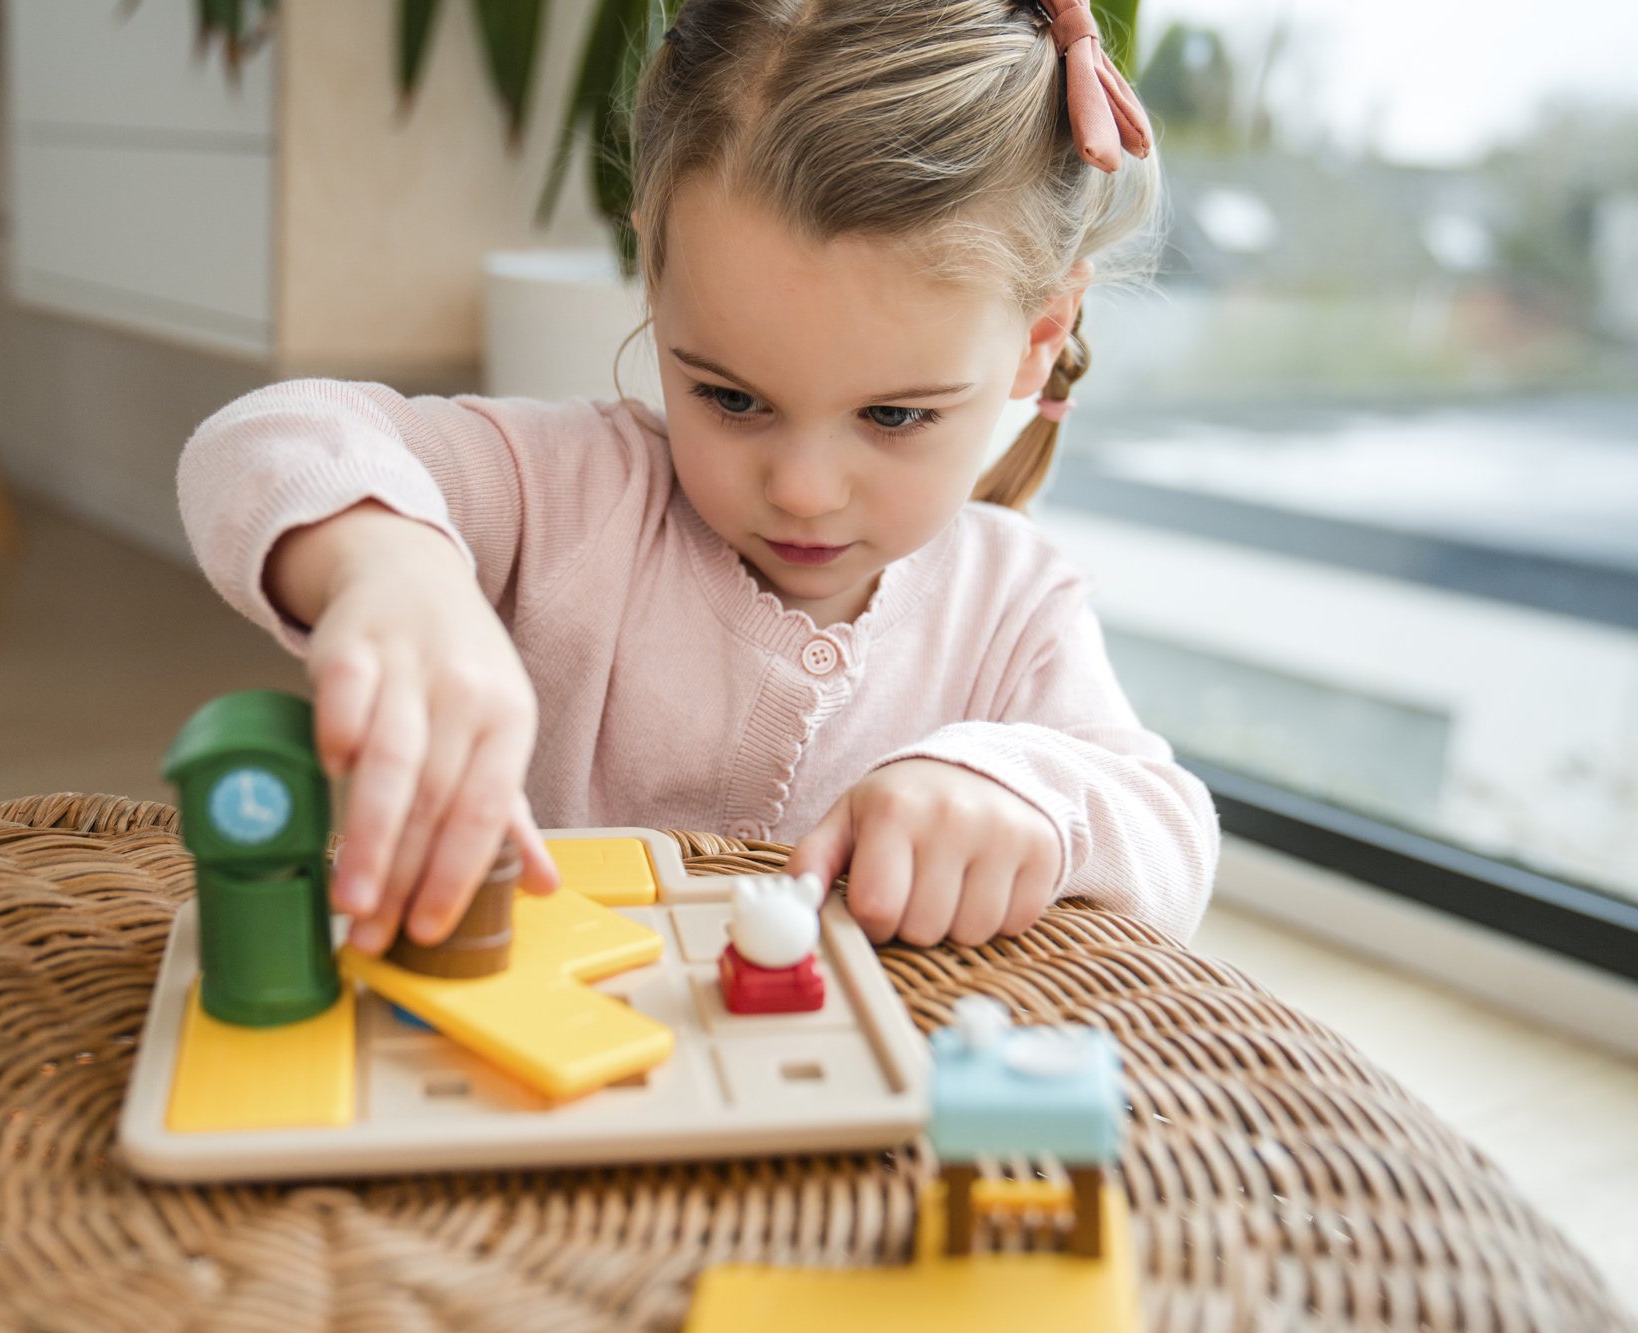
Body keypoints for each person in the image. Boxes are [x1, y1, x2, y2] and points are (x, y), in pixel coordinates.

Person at [177, 0, 1218, 960]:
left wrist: (1016, 794)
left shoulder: (1014, 604)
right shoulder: (567, 493)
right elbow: (273, 434)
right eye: (729, 397)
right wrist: (390, 574)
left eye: (893, 416)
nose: (803, 489)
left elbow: (1168, 834)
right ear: (654, 277)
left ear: (1040, 338)